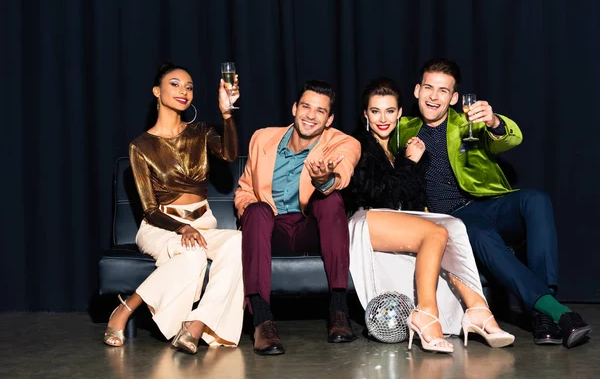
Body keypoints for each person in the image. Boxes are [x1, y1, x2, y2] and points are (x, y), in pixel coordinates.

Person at [390, 58, 591, 348]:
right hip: (453, 218)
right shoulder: (402, 129)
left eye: (443, 91)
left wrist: (495, 122)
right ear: (417, 90)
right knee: (479, 233)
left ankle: (543, 309)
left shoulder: (468, 121)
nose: (434, 96)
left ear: (454, 98)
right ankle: (554, 313)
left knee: (536, 199)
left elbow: (510, 140)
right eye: (429, 88)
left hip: (487, 203)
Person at [345, 78, 514, 353]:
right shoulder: (357, 145)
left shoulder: (399, 149)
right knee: (435, 232)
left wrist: (411, 162)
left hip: (392, 221)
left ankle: (479, 311)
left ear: (399, 112)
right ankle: (425, 314)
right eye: (375, 111)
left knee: (454, 226)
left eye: (390, 111)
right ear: (365, 115)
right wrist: (411, 163)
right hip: (365, 220)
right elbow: (382, 197)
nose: (383, 118)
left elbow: (409, 199)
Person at [103, 62, 244, 354]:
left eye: (189, 87)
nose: (184, 91)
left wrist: (227, 114)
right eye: (175, 84)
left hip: (204, 224)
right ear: (157, 91)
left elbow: (230, 155)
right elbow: (149, 209)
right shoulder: (140, 146)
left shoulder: (201, 132)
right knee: (192, 256)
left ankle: (195, 324)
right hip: (160, 227)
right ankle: (128, 307)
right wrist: (182, 227)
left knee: (239, 242)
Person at [234, 80, 361, 355]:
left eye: (320, 111)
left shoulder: (343, 142)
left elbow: (344, 170)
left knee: (331, 200)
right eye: (306, 106)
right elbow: (244, 190)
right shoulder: (262, 138)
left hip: (310, 231)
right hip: (271, 229)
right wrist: (251, 213)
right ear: (294, 108)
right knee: (255, 209)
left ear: (329, 119)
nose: (311, 115)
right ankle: (262, 321)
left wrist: (326, 179)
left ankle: (339, 311)